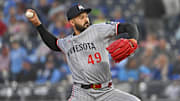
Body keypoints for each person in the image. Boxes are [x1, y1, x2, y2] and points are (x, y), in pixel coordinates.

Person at [26, 4, 140, 101]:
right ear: (72, 22)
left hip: (106, 92)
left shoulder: (97, 30)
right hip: (81, 94)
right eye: (81, 17)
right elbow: (53, 44)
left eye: (86, 16)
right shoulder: (67, 42)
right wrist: (37, 24)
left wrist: (133, 39)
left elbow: (129, 27)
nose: (86, 19)